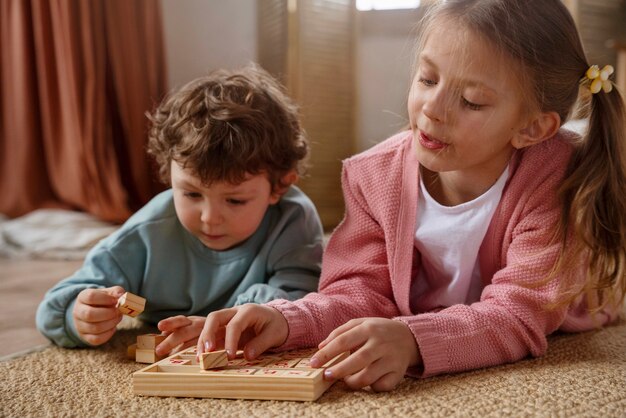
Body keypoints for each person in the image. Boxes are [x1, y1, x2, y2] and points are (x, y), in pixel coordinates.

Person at [196, 0, 626, 392]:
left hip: (579, 301)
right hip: (452, 306)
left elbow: (517, 317)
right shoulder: (374, 176)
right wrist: (286, 320)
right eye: (427, 78)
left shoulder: (555, 180)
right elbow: (361, 290)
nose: (431, 109)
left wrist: (414, 339)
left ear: (531, 127)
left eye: (472, 101)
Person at [36, 65, 324, 356]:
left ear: (279, 187)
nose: (210, 218)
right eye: (191, 194)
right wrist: (79, 314)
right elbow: (54, 308)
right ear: (169, 175)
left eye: (235, 201)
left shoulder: (293, 219)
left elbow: (301, 302)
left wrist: (235, 319)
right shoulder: (148, 231)